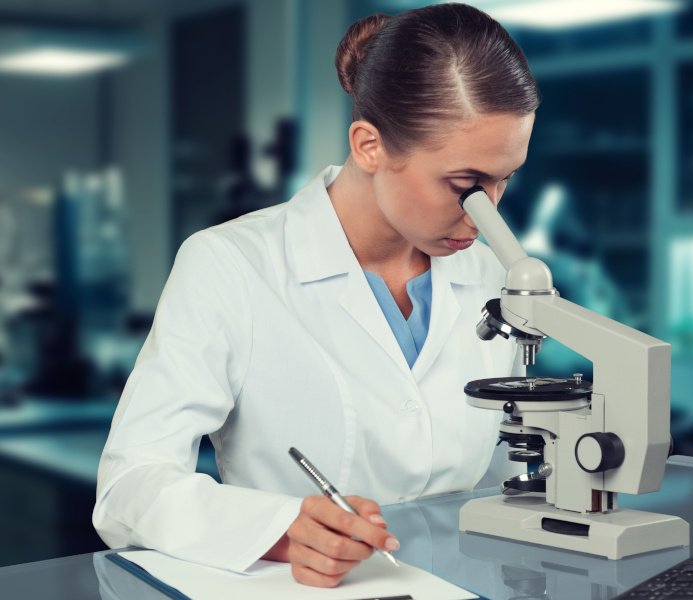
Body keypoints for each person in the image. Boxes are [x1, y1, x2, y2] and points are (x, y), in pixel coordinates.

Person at [93, 2, 539, 588]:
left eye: (505, 180)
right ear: (369, 145)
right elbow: (129, 484)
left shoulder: (490, 274)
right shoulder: (231, 264)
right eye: (466, 186)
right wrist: (280, 529)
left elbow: (507, 469)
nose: (488, 215)